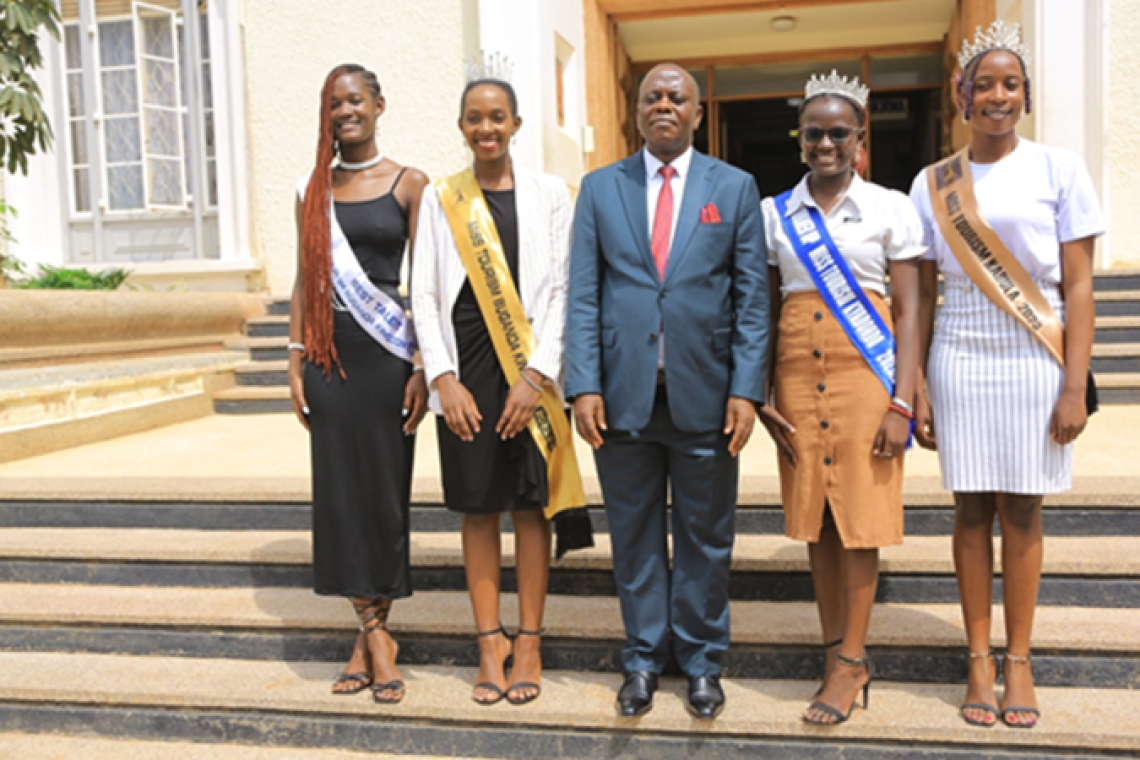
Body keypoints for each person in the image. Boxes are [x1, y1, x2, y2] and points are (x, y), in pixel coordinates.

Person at [910, 22, 1104, 729]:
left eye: (1010, 84)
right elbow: (923, 293)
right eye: (982, 84)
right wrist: (919, 383)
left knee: (1022, 507)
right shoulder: (933, 182)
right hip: (958, 349)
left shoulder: (1060, 169)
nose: (996, 95)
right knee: (968, 509)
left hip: (1034, 352)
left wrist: (1074, 383)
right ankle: (977, 660)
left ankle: (1018, 658)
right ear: (962, 96)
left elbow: (1078, 287)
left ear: (1024, 95)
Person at [566, 63, 769, 720]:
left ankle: (703, 660)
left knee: (707, 537)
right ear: (636, 110)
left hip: (706, 397)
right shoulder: (600, 189)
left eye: (677, 97)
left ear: (697, 112)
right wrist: (582, 385)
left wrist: (746, 389)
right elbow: (583, 296)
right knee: (634, 538)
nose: (664, 105)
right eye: (652, 96)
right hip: (621, 397)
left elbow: (751, 300)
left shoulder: (733, 189)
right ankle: (643, 659)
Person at [411, 74, 587, 707]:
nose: (485, 128)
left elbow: (567, 291)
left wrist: (537, 376)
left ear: (516, 124)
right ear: (462, 127)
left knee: (529, 507)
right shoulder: (441, 198)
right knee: (478, 507)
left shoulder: (549, 195)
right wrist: (443, 378)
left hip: (529, 371)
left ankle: (531, 641)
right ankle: (490, 643)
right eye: (473, 118)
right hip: (467, 371)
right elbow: (425, 294)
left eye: (497, 117)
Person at [758, 71, 922, 725]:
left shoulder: (890, 207)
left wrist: (902, 401)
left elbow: (911, 311)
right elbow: (766, 309)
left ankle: (852, 661)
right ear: (799, 141)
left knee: (859, 520)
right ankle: (836, 653)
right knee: (816, 519)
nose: (825, 144)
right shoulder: (775, 215)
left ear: (859, 140)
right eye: (813, 134)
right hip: (797, 375)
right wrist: (763, 387)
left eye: (838, 133)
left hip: (866, 374)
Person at [288, 64, 429, 704]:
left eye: (355, 100)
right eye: (333, 103)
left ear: (378, 104)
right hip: (328, 358)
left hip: (388, 359)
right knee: (341, 499)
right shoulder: (311, 190)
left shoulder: (410, 184)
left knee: (383, 496)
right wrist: (293, 362)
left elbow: (422, 284)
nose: (345, 111)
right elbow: (303, 280)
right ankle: (374, 637)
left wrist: (426, 366)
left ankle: (368, 635)